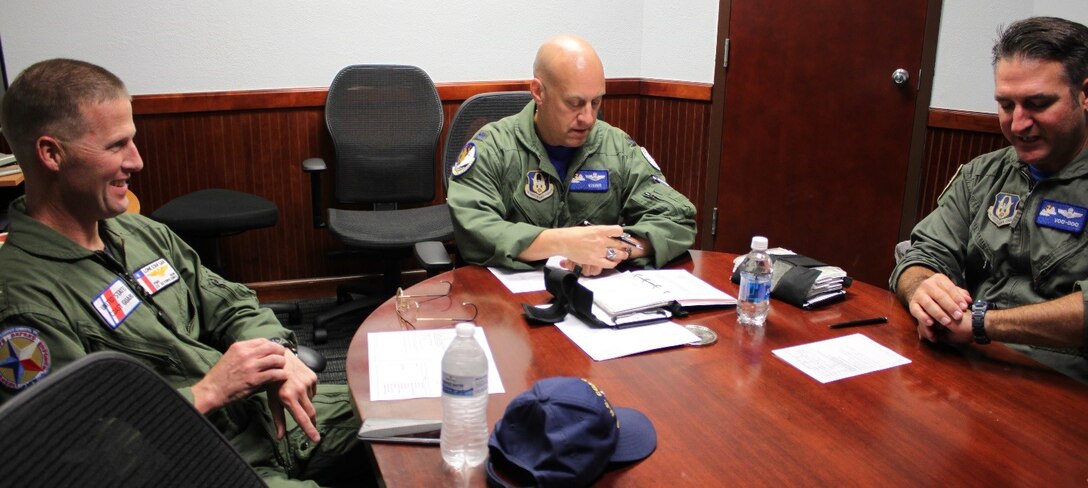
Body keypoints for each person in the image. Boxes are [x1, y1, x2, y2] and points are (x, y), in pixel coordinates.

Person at [0, 59, 370, 487]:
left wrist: (276, 354)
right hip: (198, 463)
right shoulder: (23, 302)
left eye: (132, 141)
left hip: (267, 418)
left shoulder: (137, 232)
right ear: (51, 154)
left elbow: (230, 302)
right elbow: (76, 459)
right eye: (116, 146)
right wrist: (207, 393)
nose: (136, 161)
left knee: (422, 409)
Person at [890, 16, 1088, 382]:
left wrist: (982, 323)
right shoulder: (983, 174)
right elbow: (922, 254)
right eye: (1007, 105)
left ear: (1084, 94)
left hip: (1063, 385)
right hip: (969, 366)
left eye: (1038, 104)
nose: (1018, 124)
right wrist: (924, 291)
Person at [447, 34, 697, 277]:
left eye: (596, 102)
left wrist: (612, 250)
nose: (588, 118)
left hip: (596, 295)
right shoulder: (493, 147)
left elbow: (677, 219)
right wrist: (563, 243)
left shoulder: (616, 147)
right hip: (508, 299)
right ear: (538, 92)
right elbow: (475, 229)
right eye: (574, 103)